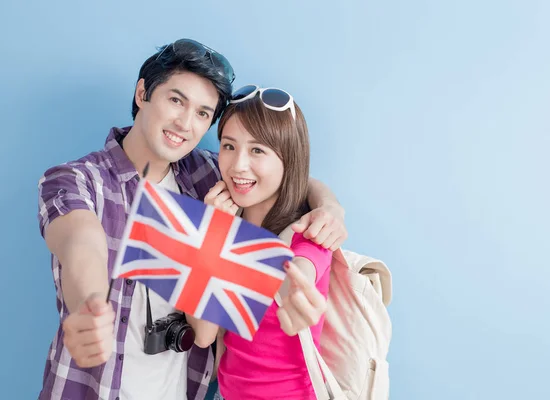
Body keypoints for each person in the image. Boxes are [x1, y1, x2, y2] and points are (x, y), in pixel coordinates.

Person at [36, 39, 347, 400]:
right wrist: (89, 304)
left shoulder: (206, 175)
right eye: (176, 100)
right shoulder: (77, 179)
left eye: (202, 113)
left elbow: (277, 172)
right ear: (142, 93)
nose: (185, 123)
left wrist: (329, 205)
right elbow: (81, 242)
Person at [192, 84, 333, 400]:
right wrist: (213, 236)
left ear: (288, 159)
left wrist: (298, 290)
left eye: (257, 150)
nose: (238, 165)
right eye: (229, 146)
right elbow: (202, 335)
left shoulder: (308, 233)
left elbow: (300, 271)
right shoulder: (226, 226)